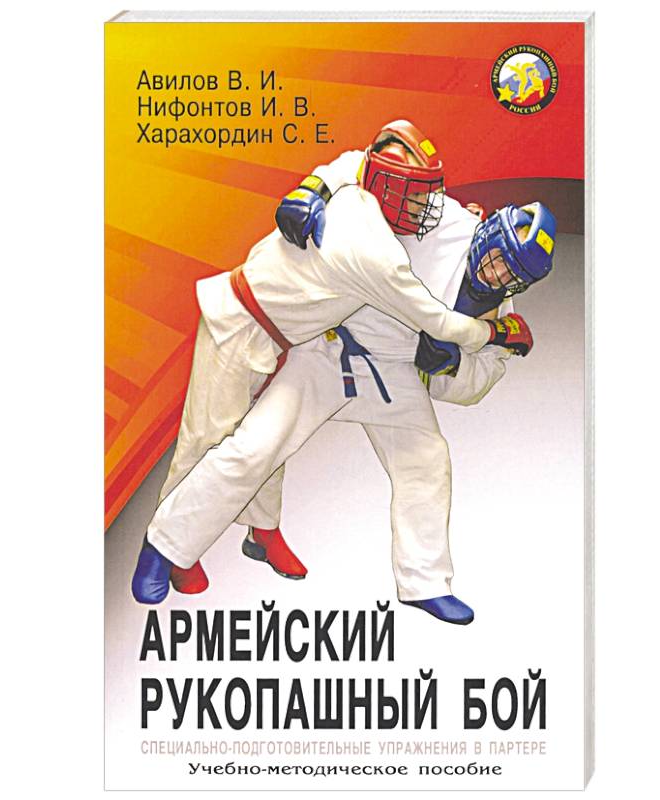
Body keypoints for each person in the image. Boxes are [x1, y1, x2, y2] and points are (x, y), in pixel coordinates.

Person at [131, 121, 529, 605]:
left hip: (394, 374)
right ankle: (164, 546)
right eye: (498, 256)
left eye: (512, 273)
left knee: (427, 460)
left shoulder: (499, 300)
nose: (497, 272)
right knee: (255, 447)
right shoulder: (426, 224)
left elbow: (478, 383)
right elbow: (365, 163)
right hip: (328, 350)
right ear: (486, 230)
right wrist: (313, 187)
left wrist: (452, 368)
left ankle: (424, 584)